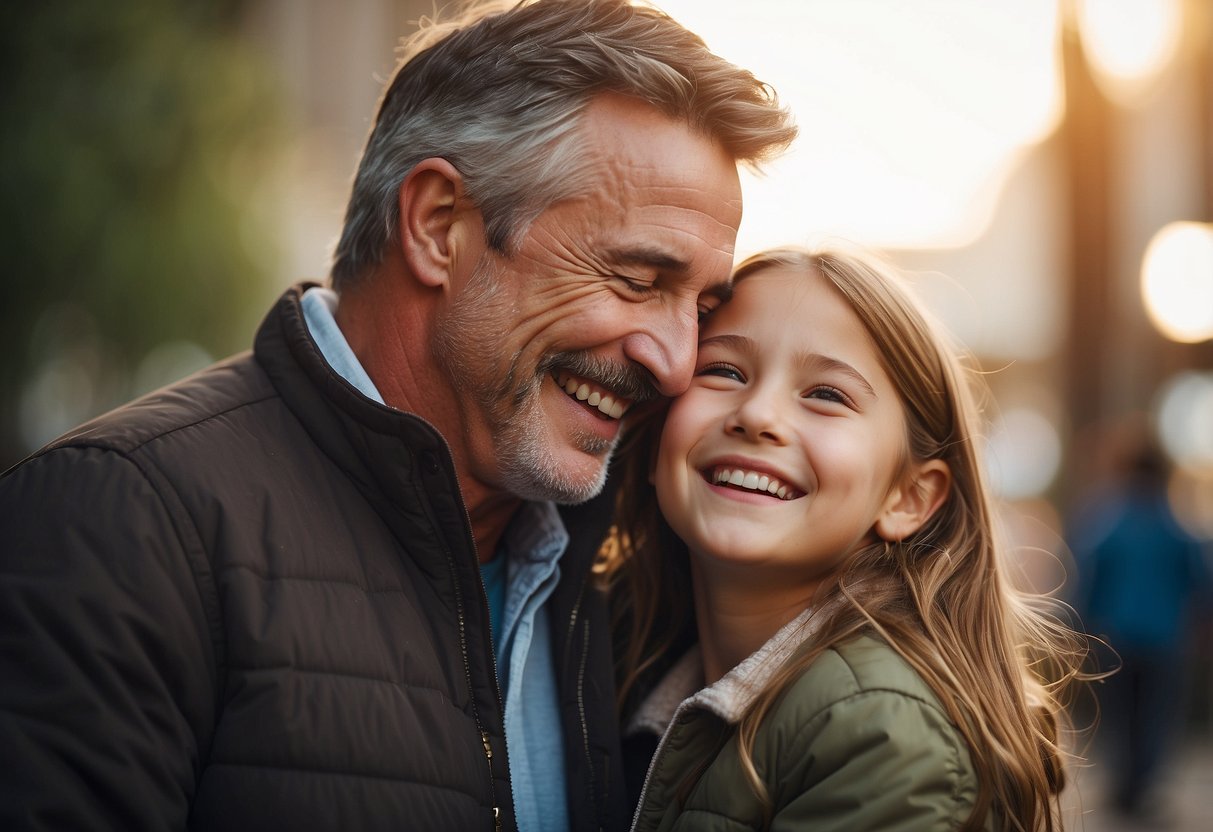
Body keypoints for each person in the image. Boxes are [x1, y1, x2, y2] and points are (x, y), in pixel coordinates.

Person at [0, 1, 796, 829]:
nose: (673, 363)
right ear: (438, 226)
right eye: (636, 280)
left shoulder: (644, 559)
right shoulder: (114, 526)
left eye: (701, 306)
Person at [603, 247, 1083, 831]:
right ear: (657, 443)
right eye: (723, 371)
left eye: (826, 395)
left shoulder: (882, 735)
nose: (757, 415)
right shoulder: (614, 664)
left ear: (907, 497)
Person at [1067, 425, 1212, 820]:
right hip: (1165, 639)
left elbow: (1088, 576)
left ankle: (1123, 786)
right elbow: (1200, 580)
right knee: (1154, 715)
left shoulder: (1105, 520)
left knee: (1119, 714)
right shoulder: (1175, 522)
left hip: (1117, 636)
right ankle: (1144, 786)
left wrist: (1081, 626)